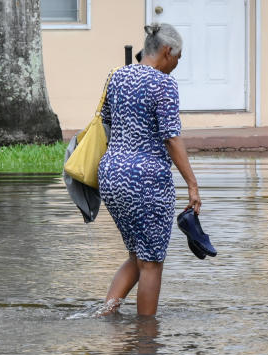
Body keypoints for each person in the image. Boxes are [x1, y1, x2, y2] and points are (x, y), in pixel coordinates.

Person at [98, 23, 201, 317]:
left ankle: (106, 314)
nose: (176, 66)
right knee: (152, 262)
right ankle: (147, 341)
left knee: (137, 255)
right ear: (167, 51)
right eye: (177, 59)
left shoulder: (115, 77)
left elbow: (106, 122)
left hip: (111, 175)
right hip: (146, 180)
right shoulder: (163, 84)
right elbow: (171, 136)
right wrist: (192, 184)